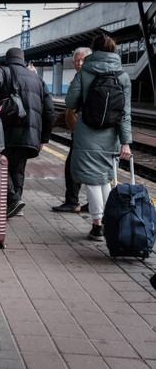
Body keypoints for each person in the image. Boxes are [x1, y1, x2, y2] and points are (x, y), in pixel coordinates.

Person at [65, 35, 132, 241]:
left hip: (87, 133)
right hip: (111, 135)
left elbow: (70, 101)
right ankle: (109, 220)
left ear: (94, 51)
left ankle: (97, 225)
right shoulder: (123, 76)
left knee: (93, 181)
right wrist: (126, 142)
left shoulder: (85, 72)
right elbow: (125, 113)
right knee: (105, 178)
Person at [0, 48, 54, 218]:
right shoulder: (38, 79)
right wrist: (44, 138)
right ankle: (16, 203)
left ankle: (13, 199)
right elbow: (49, 111)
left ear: (7, 59)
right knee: (18, 168)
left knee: (1, 165)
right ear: (22, 59)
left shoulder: (1, 71)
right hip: (30, 133)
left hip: (6, 129)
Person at [52, 47, 92, 213]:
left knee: (73, 168)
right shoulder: (80, 78)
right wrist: (52, 120)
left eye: (83, 60)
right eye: (77, 60)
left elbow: (75, 106)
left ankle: (73, 202)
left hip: (84, 132)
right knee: (83, 168)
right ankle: (90, 203)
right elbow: (70, 109)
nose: (80, 63)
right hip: (80, 132)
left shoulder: (87, 79)